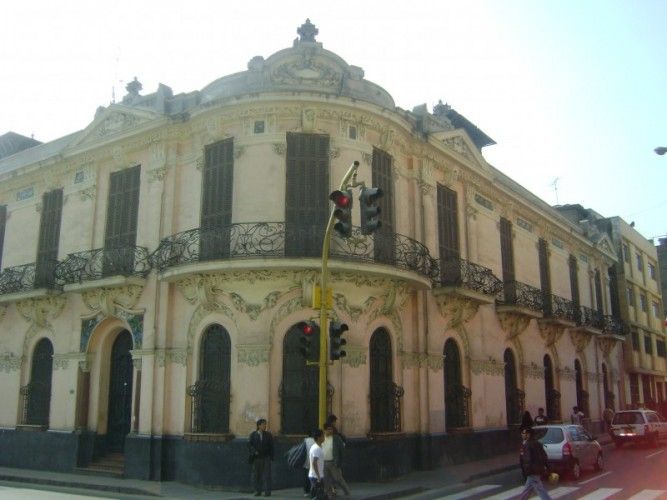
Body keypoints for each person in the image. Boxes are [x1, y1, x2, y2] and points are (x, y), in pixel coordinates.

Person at [519, 427, 552, 500]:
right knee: (527, 489)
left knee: (540, 489)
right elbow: (544, 456)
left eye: (525, 433)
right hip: (538, 469)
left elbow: (527, 459)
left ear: (529, 435)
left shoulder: (527, 444)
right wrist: (548, 467)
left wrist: (526, 471)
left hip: (532, 470)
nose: (523, 435)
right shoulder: (538, 443)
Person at [323, 422, 351, 497]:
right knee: (326, 481)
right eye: (328, 429)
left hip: (333, 462)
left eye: (331, 429)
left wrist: (339, 462)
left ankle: (347, 493)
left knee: (338, 479)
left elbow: (342, 450)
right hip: (324, 462)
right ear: (324, 430)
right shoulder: (322, 438)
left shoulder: (336, 438)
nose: (330, 431)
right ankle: (329, 495)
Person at [249, 418, 274, 497]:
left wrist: (271, 456)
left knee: (267, 475)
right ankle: (257, 491)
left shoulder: (268, 435)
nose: (265, 426)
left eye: (265, 424)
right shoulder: (253, 435)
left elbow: (271, 446)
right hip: (257, 458)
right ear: (259, 426)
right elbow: (249, 445)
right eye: (263, 424)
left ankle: (267, 491)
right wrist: (254, 451)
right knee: (257, 475)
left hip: (266, 457)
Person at [308, 429, 326, 499]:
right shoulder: (316, 449)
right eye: (323, 436)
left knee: (318, 496)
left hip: (316, 475)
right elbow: (314, 463)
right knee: (317, 496)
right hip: (316, 477)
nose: (324, 438)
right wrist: (318, 476)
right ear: (319, 437)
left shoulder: (317, 447)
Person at [302, 432, 316, 497]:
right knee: (313, 477)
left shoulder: (305, 440)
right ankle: (312, 491)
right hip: (313, 462)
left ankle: (306, 491)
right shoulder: (315, 441)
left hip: (306, 462)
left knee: (305, 477)